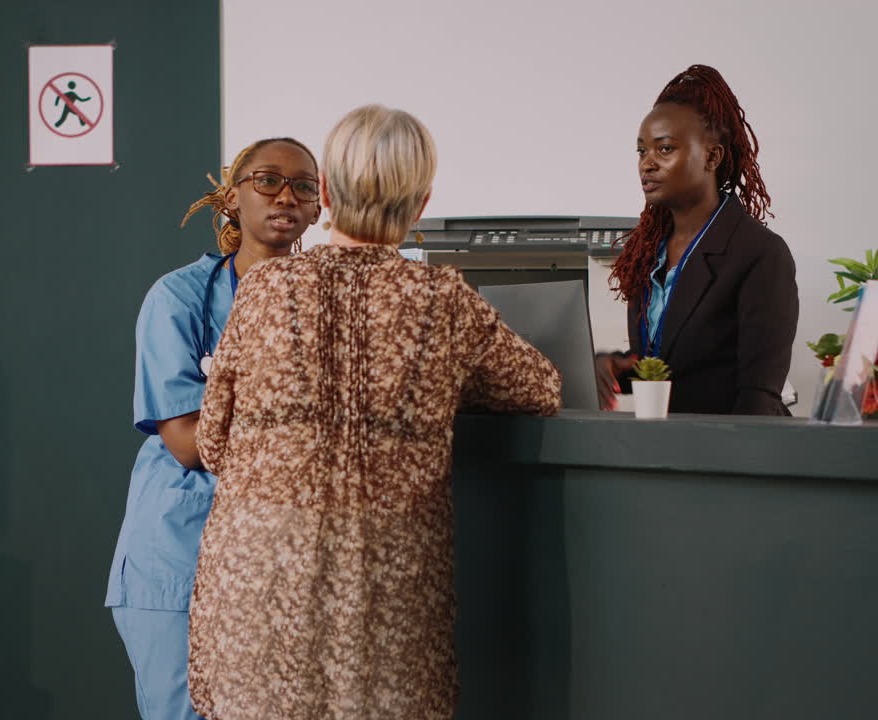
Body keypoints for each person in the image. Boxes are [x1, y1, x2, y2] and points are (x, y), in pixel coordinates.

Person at [188, 105, 561, 720]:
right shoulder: (444, 301)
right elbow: (540, 389)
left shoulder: (265, 288)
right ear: (421, 203)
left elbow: (213, 443)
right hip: (384, 587)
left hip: (260, 580)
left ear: (327, 193)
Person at [105, 138, 322, 720]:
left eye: (305, 186)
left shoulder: (326, 302)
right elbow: (187, 441)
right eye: (268, 180)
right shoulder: (178, 299)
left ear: (320, 207)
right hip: (182, 554)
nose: (287, 196)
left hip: (279, 557)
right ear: (232, 196)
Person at [596, 64, 798, 415]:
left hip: (725, 454)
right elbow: (675, 366)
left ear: (712, 156)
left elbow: (758, 398)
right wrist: (610, 366)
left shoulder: (760, 254)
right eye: (642, 151)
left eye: (665, 149)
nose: (647, 164)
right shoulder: (648, 253)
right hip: (662, 449)